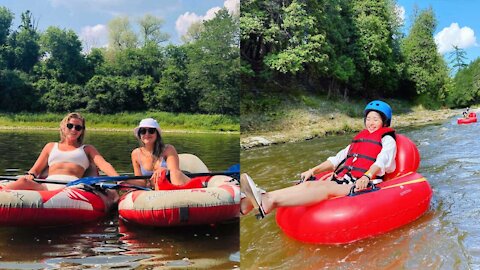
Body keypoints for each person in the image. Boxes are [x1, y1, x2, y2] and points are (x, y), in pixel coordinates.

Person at [241, 100, 397, 219]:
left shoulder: (388, 140)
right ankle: (260, 200)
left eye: (375, 119)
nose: (371, 123)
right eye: (368, 119)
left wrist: (366, 176)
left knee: (323, 188)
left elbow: (382, 161)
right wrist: (312, 170)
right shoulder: (360, 140)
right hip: (347, 180)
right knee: (308, 183)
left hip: (364, 184)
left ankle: (267, 200)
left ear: (384, 122)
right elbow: (336, 160)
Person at [5, 112, 120, 191]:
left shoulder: (87, 149)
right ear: (63, 127)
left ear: (82, 131)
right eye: (70, 126)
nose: (73, 130)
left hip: (73, 186)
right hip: (48, 185)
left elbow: (104, 165)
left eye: (78, 127)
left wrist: (117, 179)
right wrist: (30, 175)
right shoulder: (50, 146)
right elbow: (35, 170)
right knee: (23, 181)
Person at [129, 118, 190, 188]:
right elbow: (141, 182)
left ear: (157, 134)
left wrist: (164, 169)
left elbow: (174, 171)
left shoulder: (168, 149)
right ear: (140, 135)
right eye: (143, 131)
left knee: (172, 173)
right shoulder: (135, 154)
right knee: (156, 181)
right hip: (155, 189)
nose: (147, 134)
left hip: (172, 183)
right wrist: (125, 181)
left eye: (151, 131)